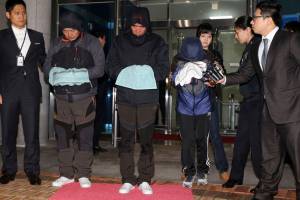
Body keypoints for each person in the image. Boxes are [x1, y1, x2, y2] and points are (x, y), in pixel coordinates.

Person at [217, 1, 300, 199]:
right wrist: (223, 79)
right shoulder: (256, 47)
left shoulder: (291, 39)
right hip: (267, 112)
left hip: (293, 112)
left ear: (267, 19)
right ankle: (264, 193)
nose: (252, 22)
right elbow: (245, 75)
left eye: (255, 17)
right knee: (269, 159)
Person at [106, 7, 169, 195]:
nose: (138, 29)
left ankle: (145, 179)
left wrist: (143, 72)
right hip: (125, 98)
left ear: (147, 25)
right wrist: (125, 73)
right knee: (125, 140)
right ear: (129, 25)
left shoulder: (157, 42)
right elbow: (110, 66)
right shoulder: (119, 41)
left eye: (141, 26)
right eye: (134, 25)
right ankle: (127, 178)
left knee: (146, 141)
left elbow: (163, 68)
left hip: (147, 99)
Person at [43, 11, 105, 188]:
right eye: (65, 30)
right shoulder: (56, 42)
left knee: (85, 135)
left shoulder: (91, 42)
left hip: (84, 98)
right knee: (62, 136)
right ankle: (66, 174)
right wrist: (56, 74)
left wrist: (77, 75)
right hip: (61, 98)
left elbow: (100, 69)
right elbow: (47, 67)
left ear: (79, 29)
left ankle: (84, 174)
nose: (68, 34)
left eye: (72, 30)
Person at [0, 0, 46, 185]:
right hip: (8, 91)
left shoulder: (37, 36)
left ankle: (32, 170)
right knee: (8, 132)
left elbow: (44, 61)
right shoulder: (1, 37)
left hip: (30, 91)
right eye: (17, 12)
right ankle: (9, 169)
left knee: (32, 133)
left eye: (24, 12)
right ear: (8, 15)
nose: (21, 16)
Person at [222, 16, 262, 191]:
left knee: (257, 145)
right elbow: (241, 72)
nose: (235, 36)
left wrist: (223, 80)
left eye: (237, 32)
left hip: (259, 101)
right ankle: (236, 177)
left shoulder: (258, 46)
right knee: (241, 142)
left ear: (247, 29)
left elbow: (245, 75)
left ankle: (265, 182)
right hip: (248, 101)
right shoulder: (249, 47)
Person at [172, 37, 211, 188]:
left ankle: (202, 170)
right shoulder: (179, 64)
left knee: (202, 140)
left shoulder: (207, 64)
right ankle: (189, 171)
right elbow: (174, 81)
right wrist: (183, 73)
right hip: (185, 109)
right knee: (187, 142)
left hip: (203, 108)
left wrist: (210, 76)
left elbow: (216, 81)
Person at [196, 23, 229, 181]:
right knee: (196, 136)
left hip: (211, 97)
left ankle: (222, 167)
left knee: (215, 134)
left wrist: (216, 79)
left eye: (209, 36)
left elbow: (223, 74)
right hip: (194, 99)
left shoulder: (215, 54)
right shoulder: (191, 54)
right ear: (198, 37)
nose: (206, 39)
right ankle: (193, 167)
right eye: (203, 36)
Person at [93, 31, 108, 154]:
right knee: (91, 119)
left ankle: (95, 143)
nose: (101, 42)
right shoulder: (92, 53)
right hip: (92, 91)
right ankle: (91, 145)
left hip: (101, 91)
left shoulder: (103, 53)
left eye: (101, 40)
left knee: (98, 118)